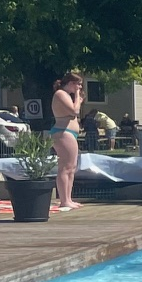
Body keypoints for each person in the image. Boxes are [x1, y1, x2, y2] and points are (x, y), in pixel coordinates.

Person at [47, 70, 84, 211]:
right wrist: (78, 98)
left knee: (72, 167)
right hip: (63, 132)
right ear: (71, 83)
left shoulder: (66, 95)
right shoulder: (60, 94)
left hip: (69, 133)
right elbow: (74, 111)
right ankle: (64, 200)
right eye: (78, 84)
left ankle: (68, 198)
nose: (79, 87)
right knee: (65, 167)